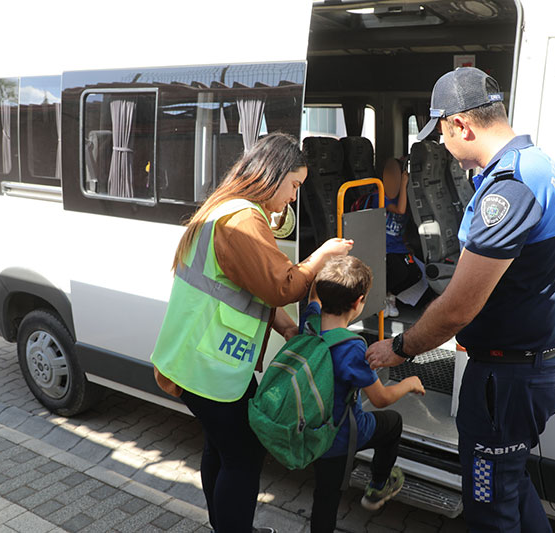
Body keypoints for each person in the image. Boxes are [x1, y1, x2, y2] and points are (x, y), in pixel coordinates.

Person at [366, 67, 555, 532]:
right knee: (512, 485)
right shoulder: (536, 165)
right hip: (529, 368)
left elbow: (458, 308)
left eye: (441, 134)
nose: (441, 146)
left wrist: (400, 349)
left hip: (506, 381)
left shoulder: (509, 189)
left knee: (489, 509)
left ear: (461, 125)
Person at [150, 133, 353, 533]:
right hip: (211, 367)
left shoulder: (225, 208)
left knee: (221, 447)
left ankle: (223, 525)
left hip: (196, 360)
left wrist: (288, 328)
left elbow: (247, 288)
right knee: (243, 455)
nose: (294, 197)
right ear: (273, 175)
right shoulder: (243, 219)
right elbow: (283, 285)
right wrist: (321, 256)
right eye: (294, 186)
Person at [304, 255, 425, 533]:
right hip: (339, 435)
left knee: (324, 496)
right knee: (392, 423)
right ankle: (378, 486)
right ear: (359, 303)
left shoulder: (309, 323)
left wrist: (324, 258)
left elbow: (313, 295)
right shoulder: (351, 347)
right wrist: (410, 383)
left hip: (311, 425)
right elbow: (381, 399)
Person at [382, 157, 422, 317]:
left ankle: (390, 295)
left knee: (414, 274)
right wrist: (404, 185)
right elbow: (400, 210)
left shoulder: (404, 195)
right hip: (386, 247)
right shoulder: (381, 195)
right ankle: (381, 296)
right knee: (399, 272)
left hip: (400, 246)